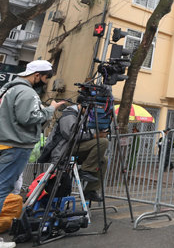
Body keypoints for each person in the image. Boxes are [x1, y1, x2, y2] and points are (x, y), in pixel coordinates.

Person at [0, 60, 66, 210]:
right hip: (16, 145)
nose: (46, 82)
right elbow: (28, 118)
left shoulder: (7, 89)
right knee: (3, 188)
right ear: (37, 75)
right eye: (45, 78)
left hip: (4, 142)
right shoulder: (27, 92)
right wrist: (50, 109)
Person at [38, 104, 109, 202]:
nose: (91, 113)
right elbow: (71, 135)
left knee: (103, 160)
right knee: (103, 142)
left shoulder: (84, 116)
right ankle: (85, 170)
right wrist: (94, 135)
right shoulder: (69, 115)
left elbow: (85, 135)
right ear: (83, 106)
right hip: (65, 149)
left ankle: (90, 190)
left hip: (77, 147)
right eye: (90, 109)